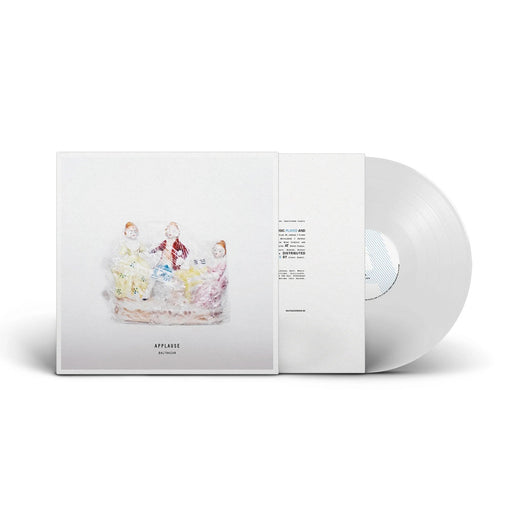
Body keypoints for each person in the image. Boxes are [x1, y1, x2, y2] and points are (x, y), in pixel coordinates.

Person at [111, 222, 151, 299]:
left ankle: (140, 292)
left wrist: (148, 254)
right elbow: (121, 254)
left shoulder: (138, 243)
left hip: (139, 261)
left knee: (141, 274)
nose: (133, 233)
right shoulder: (125, 244)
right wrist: (118, 260)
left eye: (135, 231)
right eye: (130, 231)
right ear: (126, 233)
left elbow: (144, 251)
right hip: (129, 261)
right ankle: (130, 293)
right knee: (129, 275)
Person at [193, 240, 228, 309]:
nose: (216, 252)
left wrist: (208, 276)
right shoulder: (216, 261)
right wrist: (209, 269)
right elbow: (213, 269)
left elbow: (217, 275)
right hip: (212, 279)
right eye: (215, 250)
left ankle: (204, 305)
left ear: (224, 252)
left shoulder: (223, 263)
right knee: (201, 286)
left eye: (219, 251)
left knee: (205, 289)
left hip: (216, 282)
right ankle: (200, 304)